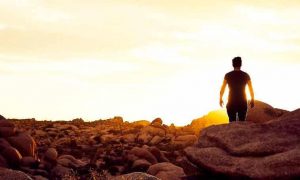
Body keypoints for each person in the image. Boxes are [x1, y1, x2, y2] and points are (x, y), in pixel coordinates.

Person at [219, 57, 255, 122]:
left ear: (232, 64)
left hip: (231, 101)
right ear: (241, 64)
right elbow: (251, 89)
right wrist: (252, 99)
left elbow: (222, 88)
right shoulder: (246, 75)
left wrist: (220, 98)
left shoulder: (227, 75)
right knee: (242, 122)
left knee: (232, 122)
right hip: (242, 101)